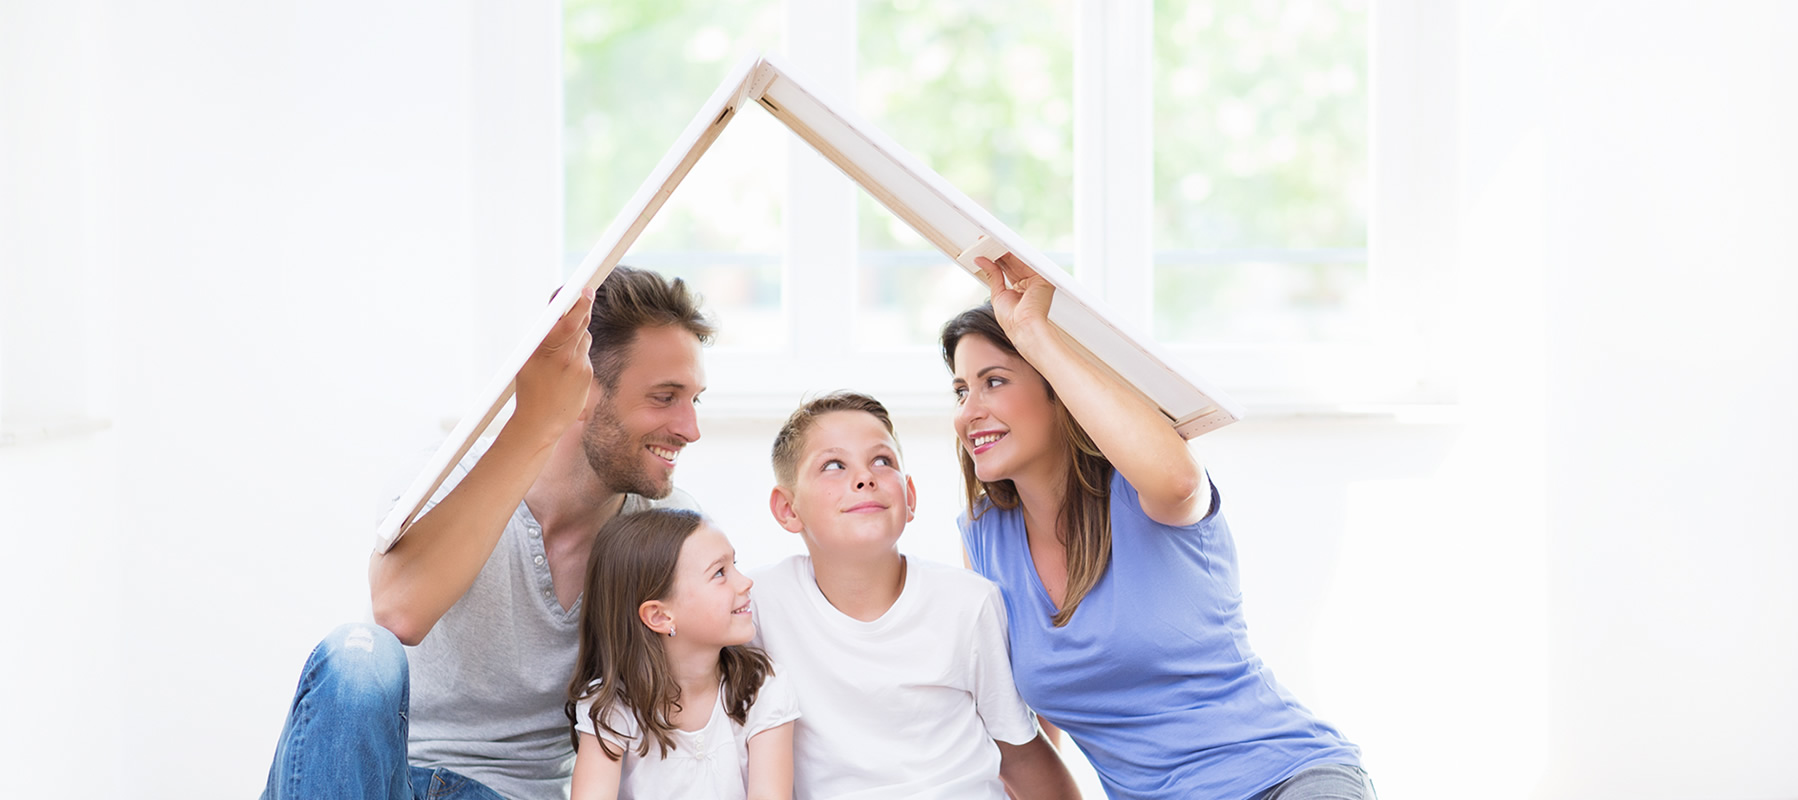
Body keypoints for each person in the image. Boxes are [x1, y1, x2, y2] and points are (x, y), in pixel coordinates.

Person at [260, 267, 714, 800]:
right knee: (359, 657)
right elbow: (398, 612)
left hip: (510, 794)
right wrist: (537, 419)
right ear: (582, 389)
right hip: (379, 780)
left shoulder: (667, 535)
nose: (690, 428)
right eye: (665, 397)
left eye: (694, 400)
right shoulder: (442, 473)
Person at [940, 253, 1375, 800]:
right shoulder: (983, 539)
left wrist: (1035, 333)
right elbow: (1021, 726)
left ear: (1060, 386)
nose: (968, 411)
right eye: (960, 391)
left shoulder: (1144, 491)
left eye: (993, 382)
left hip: (1283, 779)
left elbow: (1178, 481)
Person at [749, 392, 1081, 800]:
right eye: (834, 465)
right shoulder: (759, 603)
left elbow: (1021, 754)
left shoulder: (968, 603)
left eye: (882, 461)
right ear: (787, 509)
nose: (864, 477)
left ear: (910, 497)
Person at [567, 508, 797, 800]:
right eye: (720, 573)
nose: (745, 582)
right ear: (660, 617)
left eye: (735, 564)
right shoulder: (612, 706)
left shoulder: (762, 688)